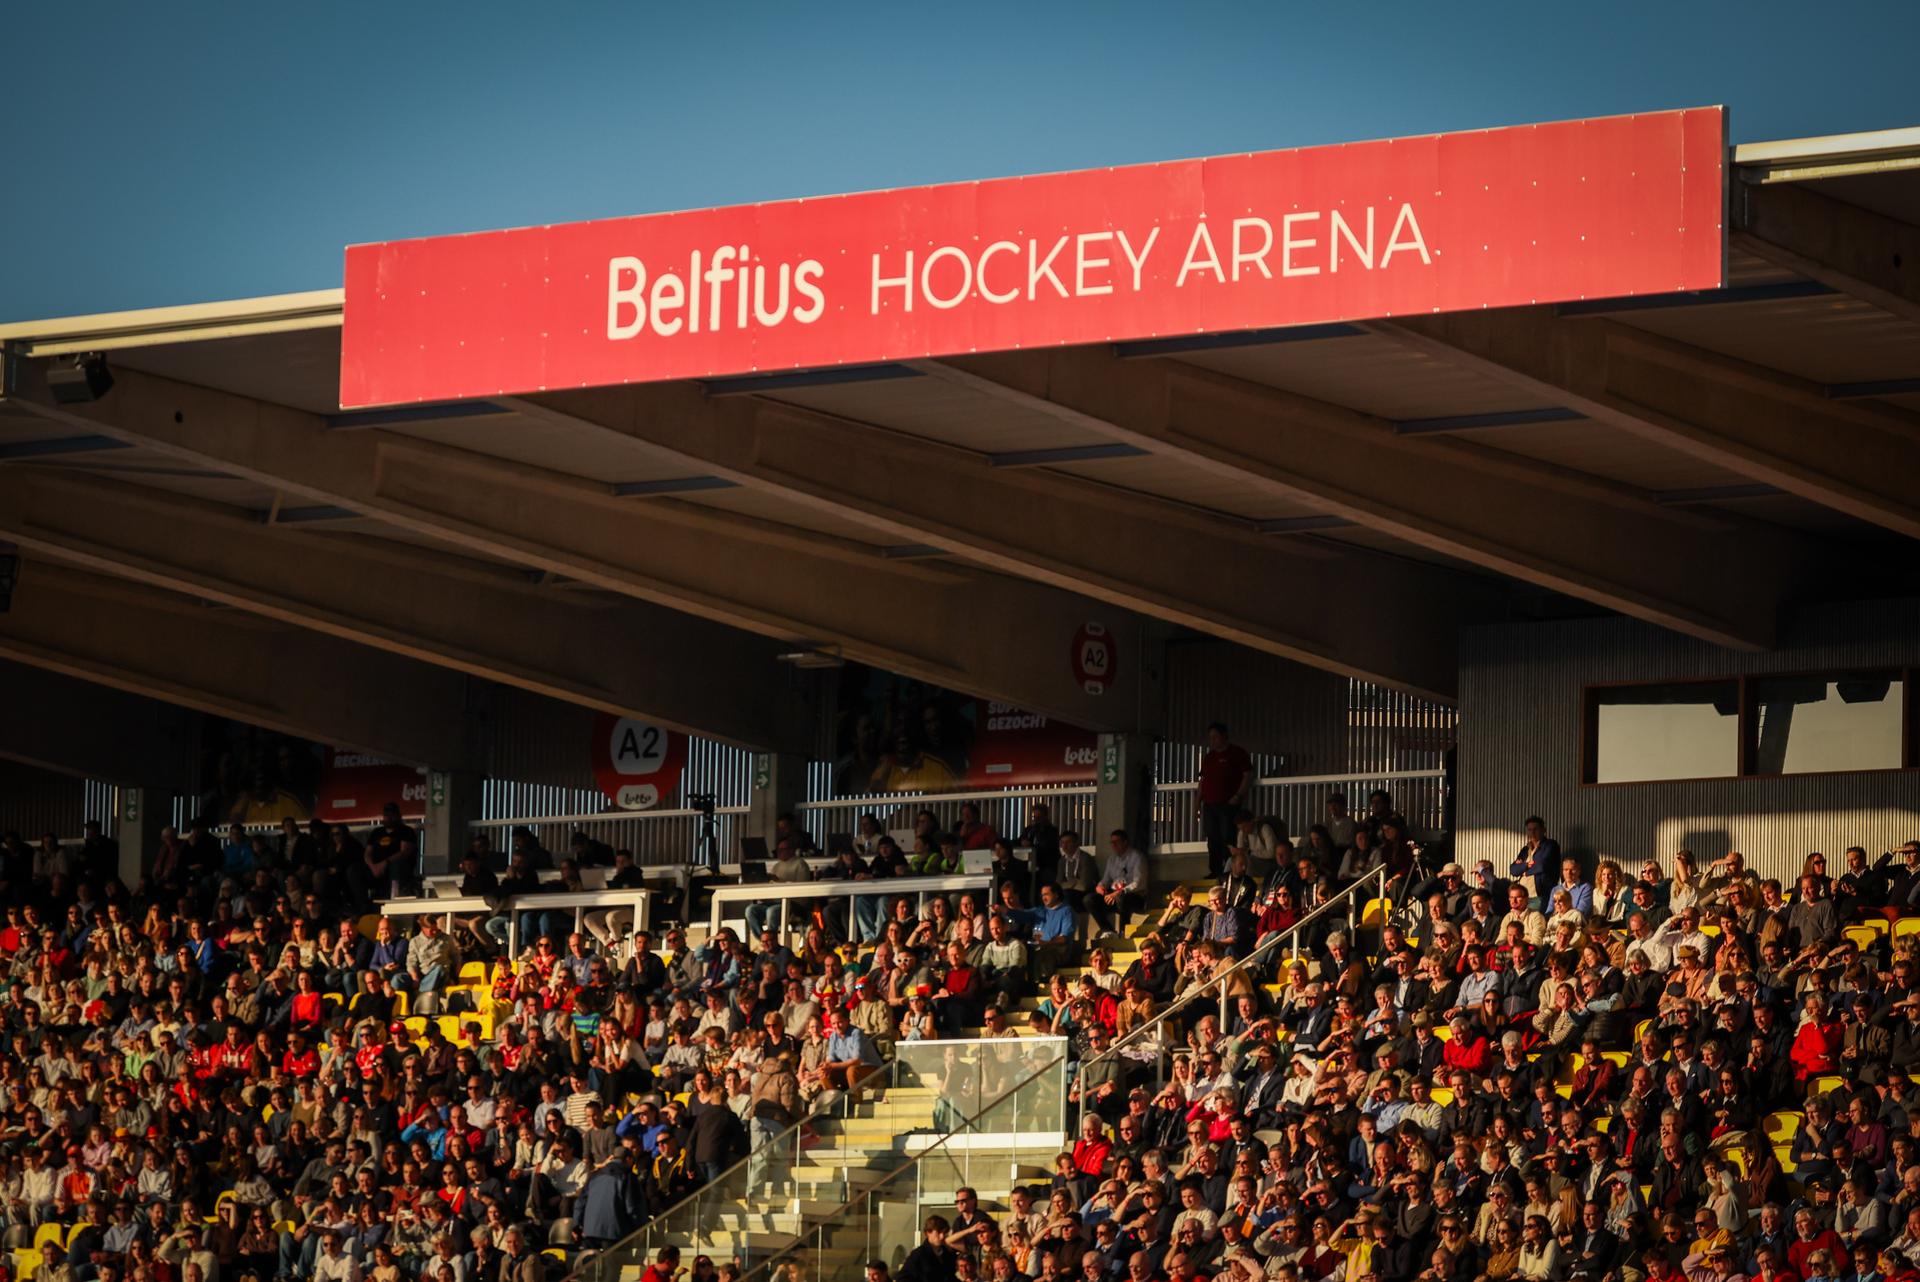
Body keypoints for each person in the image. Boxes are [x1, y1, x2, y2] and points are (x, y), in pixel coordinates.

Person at [1197, 724, 1254, 879]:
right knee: (1212, 836)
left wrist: (1238, 795)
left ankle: (1229, 868)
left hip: (1228, 803)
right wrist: (1198, 802)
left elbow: (1247, 775)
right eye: (1211, 737)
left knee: (1228, 836)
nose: (1213, 740)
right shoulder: (1209, 757)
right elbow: (1203, 781)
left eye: (1215, 737)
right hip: (1209, 804)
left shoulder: (1237, 753)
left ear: (1224, 736)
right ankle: (1215, 869)